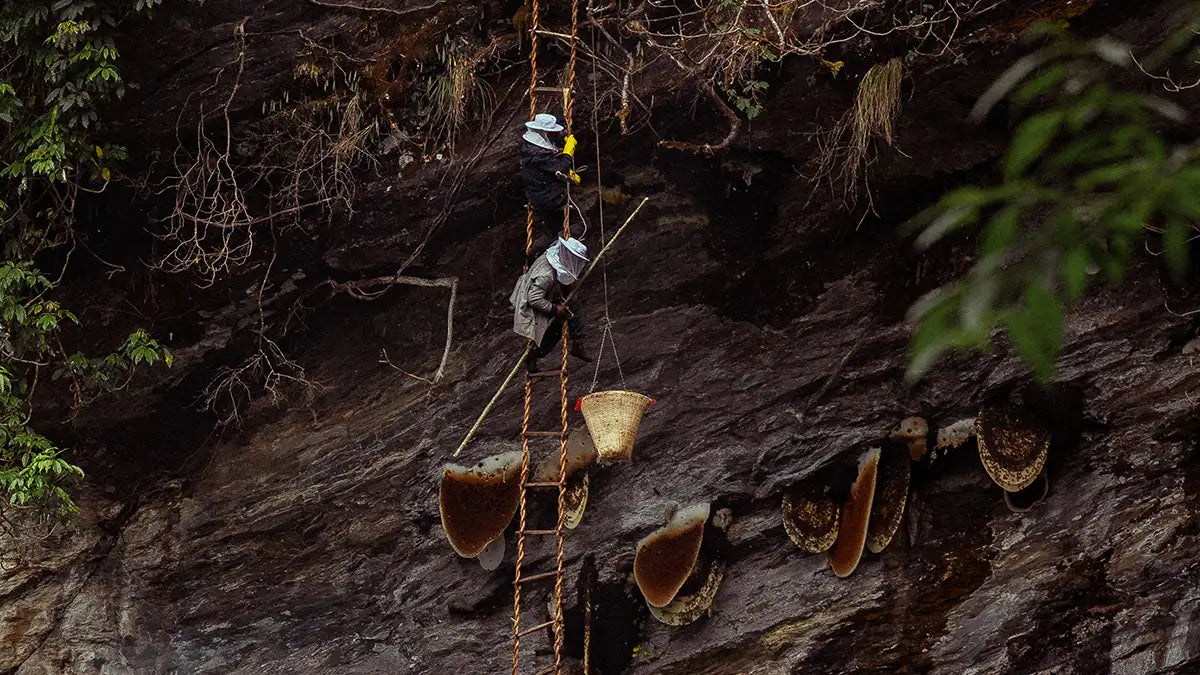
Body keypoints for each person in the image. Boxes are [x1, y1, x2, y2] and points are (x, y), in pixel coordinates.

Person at [510, 236, 592, 371]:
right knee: (563, 319)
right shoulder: (546, 276)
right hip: (529, 304)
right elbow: (534, 298)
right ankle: (538, 353)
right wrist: (555, 309)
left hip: (540, 293)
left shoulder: (551, 257)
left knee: (572, 310)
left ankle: (575, 344)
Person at [520, 113, 581, 250]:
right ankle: (559, 247)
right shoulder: (539, 154)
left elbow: (546, 164)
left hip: (537, 196)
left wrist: (559, 154)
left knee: (552, 228)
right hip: (552, 198)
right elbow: (560, 167)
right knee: (581, 224)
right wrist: (568, 151)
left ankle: (537, 249)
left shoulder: (528, 148)